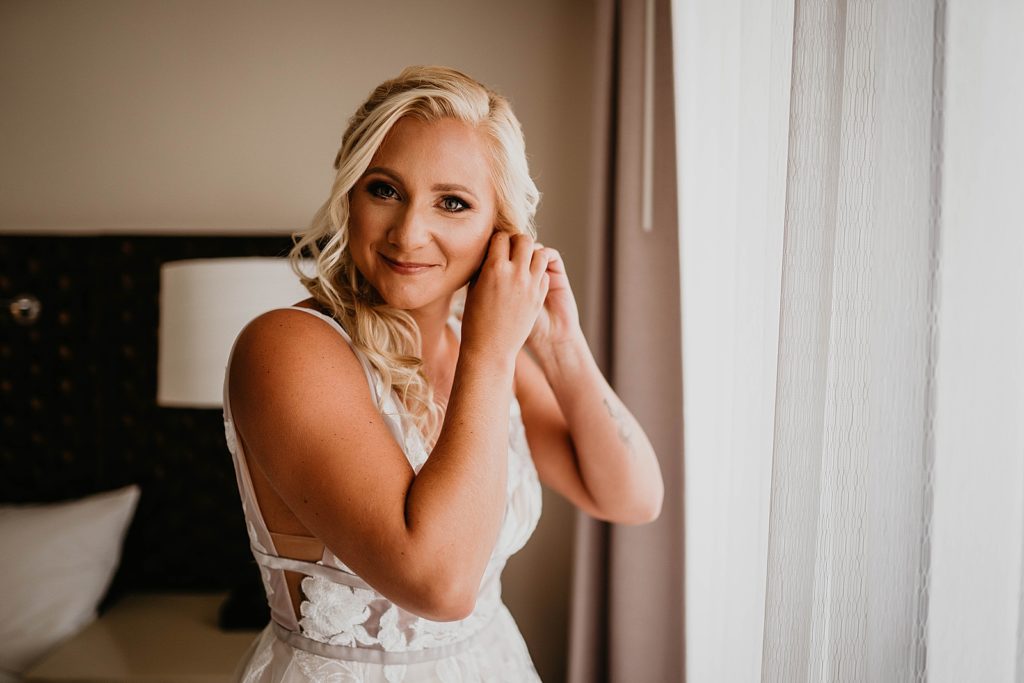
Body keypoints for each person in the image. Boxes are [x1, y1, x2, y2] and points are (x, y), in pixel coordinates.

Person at [222, 65, 664, 682]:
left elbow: (632, 498)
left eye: (452, 203)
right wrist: (491, 352)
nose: (409, 234)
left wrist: (561, 344)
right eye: (384, 190)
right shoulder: (289, 348)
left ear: (501, 230)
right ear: (349, 195)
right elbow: (442, 585)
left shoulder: (481, 352)